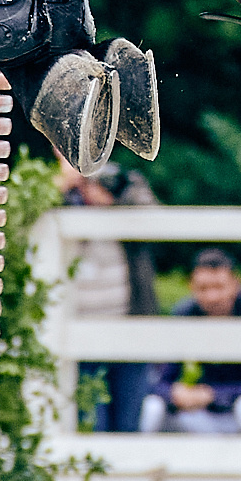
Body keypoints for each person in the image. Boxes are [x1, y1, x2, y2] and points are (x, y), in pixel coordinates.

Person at [140, 250, 241, 435]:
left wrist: (212, 394)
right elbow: (158, 379)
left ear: (236, 284)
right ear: (191, 286)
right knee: (152, 406)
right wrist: (175, 393)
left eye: (219, 287)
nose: (212, 297)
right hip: (205, 415)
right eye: (203, 288)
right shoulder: (184, 314)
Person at [63, 160, 159, 433]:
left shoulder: (124, 180)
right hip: (81, 332)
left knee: (128, 425)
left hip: (130, 330)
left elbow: (153, 218)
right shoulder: (62, 190)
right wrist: (66, 185)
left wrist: (113, 200)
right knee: (91, 424)